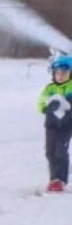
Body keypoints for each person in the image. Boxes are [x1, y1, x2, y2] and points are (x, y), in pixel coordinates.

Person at [37, 52, 72, 192]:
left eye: (64, 72)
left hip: (66, 125)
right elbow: (42, 102)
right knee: (50, 152)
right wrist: (45, 107)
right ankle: (53, 179)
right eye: (57, 72)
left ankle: (60, 179)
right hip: (51, 125)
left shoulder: (70, 87)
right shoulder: (49, 88)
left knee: (60, 150)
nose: (61, 75)